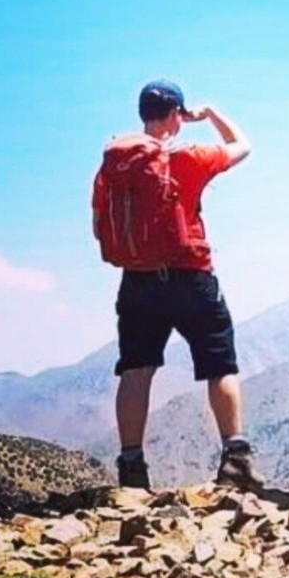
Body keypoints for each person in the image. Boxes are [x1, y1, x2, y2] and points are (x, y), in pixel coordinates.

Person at [93, 79, 258, 490]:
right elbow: (243, 145)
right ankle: (235, 461)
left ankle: (132, 466)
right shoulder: (189, 156)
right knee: (220, 363)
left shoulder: (117, 160)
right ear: (176, 116)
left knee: (135, 370)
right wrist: (211, 114)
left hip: (137, 279)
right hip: (191, 274)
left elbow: (104, 219)